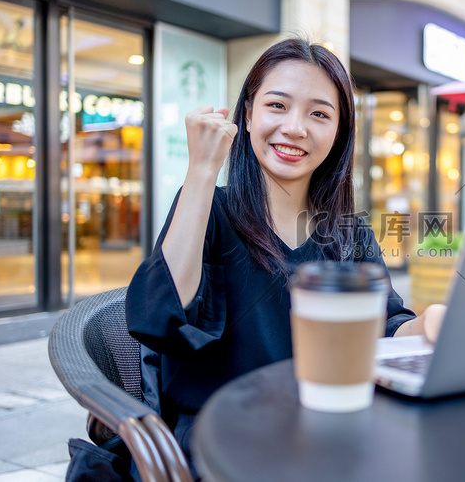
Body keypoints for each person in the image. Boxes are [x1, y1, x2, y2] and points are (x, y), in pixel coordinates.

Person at [125, 38, 445, 478]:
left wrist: (430, 324)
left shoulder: (349, 233)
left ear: (338, 134)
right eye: (278, 105)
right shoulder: (208, 209)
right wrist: (201, 171)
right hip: (224, 440)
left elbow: (385, 326)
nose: (296, 128)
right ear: (249, 114)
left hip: (324, 431)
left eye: (319, 114)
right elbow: (160, 315)